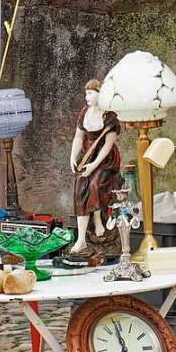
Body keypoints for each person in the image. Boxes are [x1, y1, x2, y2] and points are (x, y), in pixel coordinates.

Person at [69, 78, 121, 254]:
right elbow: (78, 137)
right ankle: (81, 239)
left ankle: (99, 219)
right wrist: (73, 156)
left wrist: (94, 165)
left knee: (95, 184)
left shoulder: (110, 117)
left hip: (105, 160)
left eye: (91, 93)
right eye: (86, 93)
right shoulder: (85, 112)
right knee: (80, 188)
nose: (87, 97)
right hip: (87, 154)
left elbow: (107, 146)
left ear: (101, 94)